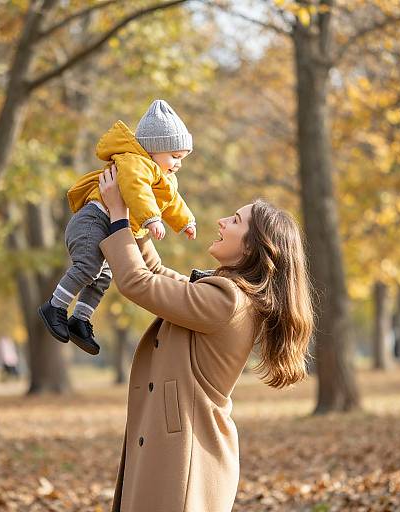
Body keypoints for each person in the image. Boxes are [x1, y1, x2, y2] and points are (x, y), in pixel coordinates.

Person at [97, 166, 314, 512]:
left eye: (236, 221)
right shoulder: (226, 295)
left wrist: (119, 218)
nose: (222, 221)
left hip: (186, 459)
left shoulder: (227, 301)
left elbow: (139, 283)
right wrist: (138, 219)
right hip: (180, 451)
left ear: (253, 248)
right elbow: (156, 276)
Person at [39, 100, 196, 355]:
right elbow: (136, 191)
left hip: (109, 225)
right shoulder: (135, 163)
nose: (178, 164)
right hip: (94, 221)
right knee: (88, 267)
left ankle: (80, 320)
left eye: (182, 158)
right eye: (175, 157)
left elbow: (173, 201)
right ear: (153, 150)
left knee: (103, 277)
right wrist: (151, 219)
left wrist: (185, 222)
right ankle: (55, 306)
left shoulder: (164, 177)